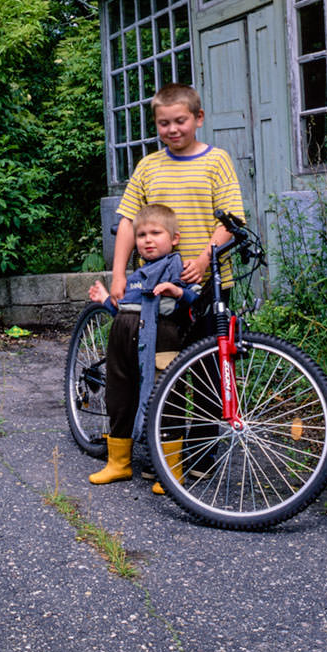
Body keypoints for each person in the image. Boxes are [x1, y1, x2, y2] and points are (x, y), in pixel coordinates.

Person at [91, 83, 246, 490]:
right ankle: (127, 455)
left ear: (198, 118)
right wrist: (119, 273)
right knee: (149, 369)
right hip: (152, 289)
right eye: (164, 123)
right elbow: (127, 220)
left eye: (180, 121)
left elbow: (231, 221)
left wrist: (203, 260)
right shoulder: (148, 167)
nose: (173, 129)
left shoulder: (217, 162)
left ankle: (194, 459)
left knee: (208, 373)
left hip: (207, 286)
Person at [86, 204, 199, 491]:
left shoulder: (176, 267)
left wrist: (177, 292)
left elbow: (194, 300)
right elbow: (125, 308)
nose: (147, 240)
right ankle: (118, 463)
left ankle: (170, 471)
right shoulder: (137, 273)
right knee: (119, 395)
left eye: (155, 233)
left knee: (166, 398)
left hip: (161, 337)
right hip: (122, 340)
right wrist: (105, 300)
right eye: (141, 235)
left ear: (174, 238)